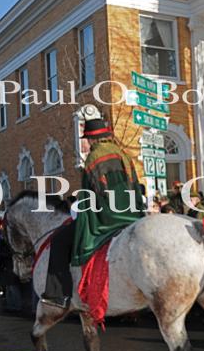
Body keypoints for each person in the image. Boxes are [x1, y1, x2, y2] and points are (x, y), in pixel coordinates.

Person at [42, 118, 145, 308]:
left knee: (59, 240)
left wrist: (83, 214)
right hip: (132, 214)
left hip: (107, 218)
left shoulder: (93, 158)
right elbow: (136, 187)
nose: (86, 143)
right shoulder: (123, 154)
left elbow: (93, 195)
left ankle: (58, 294)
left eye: (87, 139)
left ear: (91, 139)